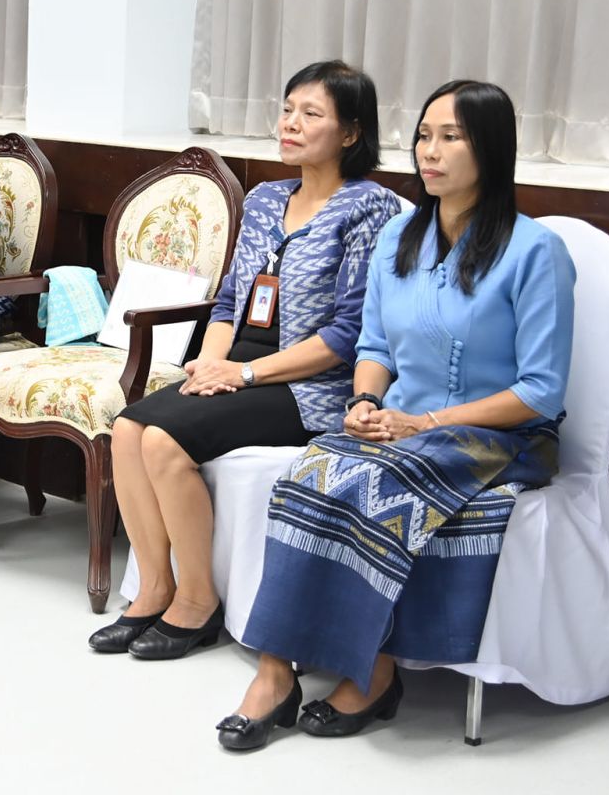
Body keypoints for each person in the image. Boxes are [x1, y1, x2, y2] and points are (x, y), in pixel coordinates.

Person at [217, 80, 575, 752]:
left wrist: (424, 425)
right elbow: (375, 347)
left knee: (377, 483)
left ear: (491, 148)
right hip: (402, 423)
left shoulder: (535, 251)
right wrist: (364, 402)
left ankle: (375, 673)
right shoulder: (398, 239)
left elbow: (541, 391)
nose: (429, 152)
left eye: (451, 137)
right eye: (424, 137)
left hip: (505, 436)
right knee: (309, 472)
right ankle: (275, 673)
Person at [90, 61, 401, 660]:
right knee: (128, 429)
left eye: (311, 114)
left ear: (351, 133)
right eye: (287, 110)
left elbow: (349, 333)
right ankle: (154, 589)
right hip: (237, 367)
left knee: (164, 443)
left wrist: (244, 373)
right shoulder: (264, 199)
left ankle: (197, 601)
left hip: (312, 384)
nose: (290, 124)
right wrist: (207, 366)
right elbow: (231, 300)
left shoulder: (371, 209)